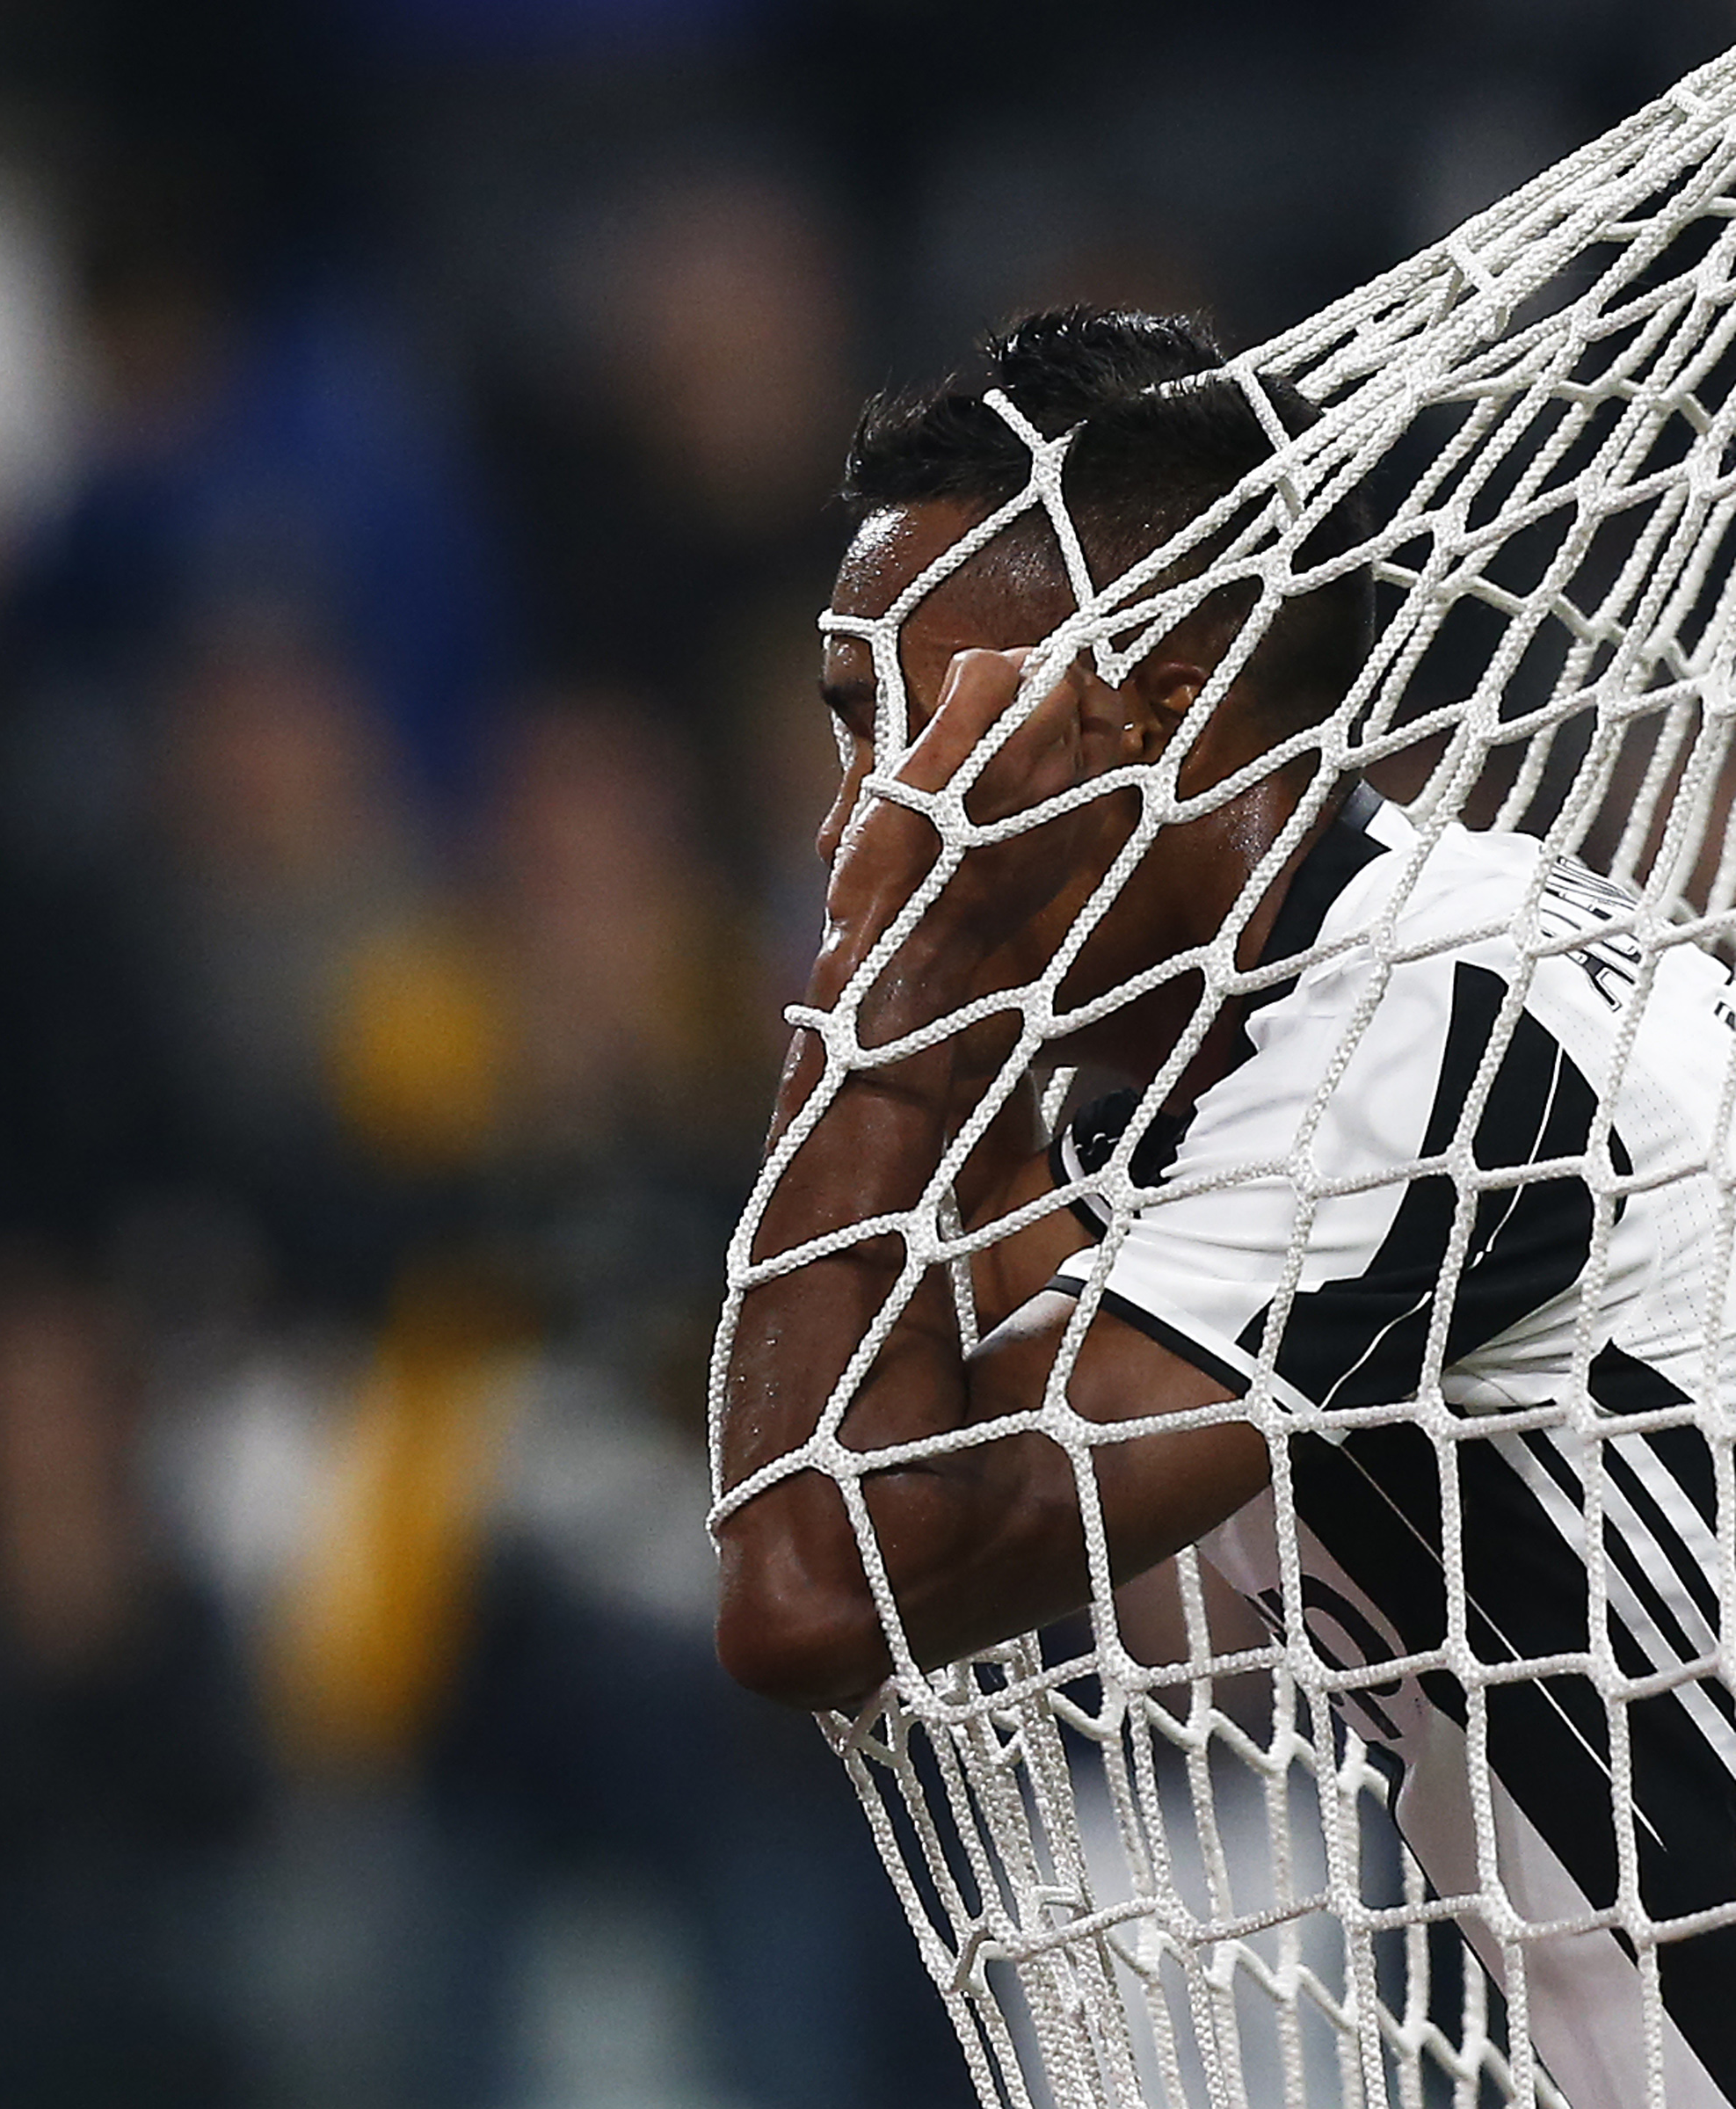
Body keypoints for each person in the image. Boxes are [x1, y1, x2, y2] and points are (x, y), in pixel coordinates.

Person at [713, 308, 1736, 2109]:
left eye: (907, 728)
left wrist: (903, 971)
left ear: (1156, 701)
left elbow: (820, 1583)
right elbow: (859, 1492)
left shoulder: (1428, 1021)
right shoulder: (1273, 1057)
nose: (852, 819)